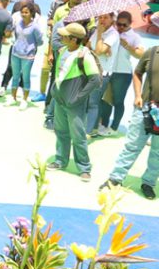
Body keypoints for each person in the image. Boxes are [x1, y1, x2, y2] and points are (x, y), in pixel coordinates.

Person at [100, 44, 159, 199]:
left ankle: (149, 182)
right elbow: (138, 73)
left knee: (158, 152)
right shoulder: (153, 52)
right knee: (132, 145)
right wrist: (138, 95)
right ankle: (115, 178)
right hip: (145, 108)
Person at [48, 23, 101, 183]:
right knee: (61, 132)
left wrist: (79, 97)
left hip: (74, 104)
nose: (61, 37)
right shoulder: (63, 50)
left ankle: (84, 167)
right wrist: (54, 92)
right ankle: (60, 160)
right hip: (60, 99)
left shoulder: (84, 56)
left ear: (73, 39)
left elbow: (95, 79)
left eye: (64, 35)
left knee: (78, 136)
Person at [99, 11, 144, 133]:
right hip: (109, 71)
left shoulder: (134, 37)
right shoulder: (112, 33)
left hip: (123, 73)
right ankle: (104, 124)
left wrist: (129, 46)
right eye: (119, 24)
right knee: (105, 100)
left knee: (118, 101)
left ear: (130, 24)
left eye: (124, 25)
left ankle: (114, 127)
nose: (121, 27)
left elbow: (140, 54)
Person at [85, 13, 120, 136]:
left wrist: (99, 34)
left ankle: (88, 132)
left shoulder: (113, 34)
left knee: (93, 102)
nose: (102, 20)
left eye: (105, 17)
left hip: (102, 74)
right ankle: (92, 128)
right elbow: (87, 48)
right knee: (87, 101)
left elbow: (99, 51)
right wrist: (97, 50)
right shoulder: (96, 32)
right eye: (100, 17)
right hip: (90, 70)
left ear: (112, 19)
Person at [8, 2, 44, 109]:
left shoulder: (35, 27)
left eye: (26, 12)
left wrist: (31, 47)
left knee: (26, 77)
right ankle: (13, 98)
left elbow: (40, 41)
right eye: (22, 12)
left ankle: (24, 100)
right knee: (15, 77)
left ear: (31, 13)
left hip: (28, 56)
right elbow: (15, 35)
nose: (23, 14)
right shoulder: (18, 23)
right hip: (15, 54)